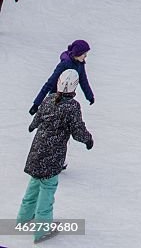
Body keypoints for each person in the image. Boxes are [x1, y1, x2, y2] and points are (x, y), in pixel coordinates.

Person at [17, 69, 93, 245]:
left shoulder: (49, 99)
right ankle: (42, 230)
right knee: (47, 191)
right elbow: (77, 130)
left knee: (35, 183)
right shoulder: (72, 106)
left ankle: (23, 218)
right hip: (52, 156)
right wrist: (88, 140)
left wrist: (32, 126)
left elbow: (38, 118)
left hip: (37, 151)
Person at [31, 40, 94, 113]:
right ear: (78, 53)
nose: (86, 56)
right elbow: (49, 83)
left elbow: (84, 81)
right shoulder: (64, 64)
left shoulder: (80, 64)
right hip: (56, 97)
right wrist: (36, 104)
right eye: (84, 53)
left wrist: (90, 96)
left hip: (69, 96)